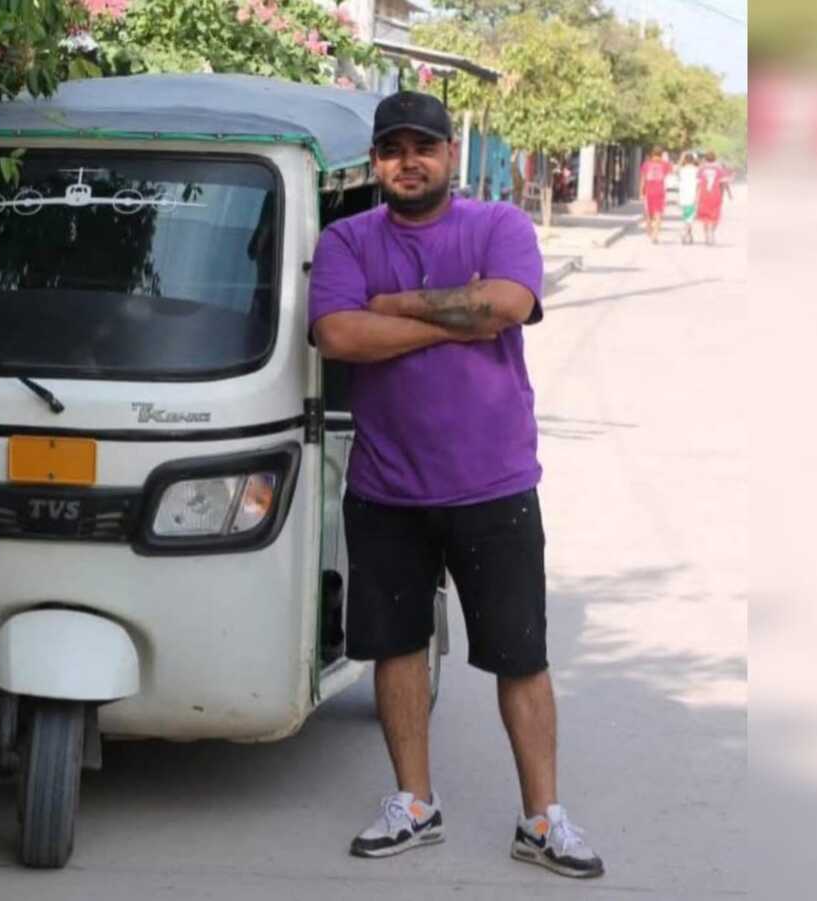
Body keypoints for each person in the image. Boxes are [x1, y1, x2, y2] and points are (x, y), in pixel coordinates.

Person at [307, 91, 605, 880]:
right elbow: (339, 333)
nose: (409, 161)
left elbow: (507, 303)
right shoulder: (344, 240)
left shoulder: (497, 226)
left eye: (424, 147)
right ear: (376, 162)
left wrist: (397, 309)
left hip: (493, 484)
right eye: (393, 149)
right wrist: (459, 316)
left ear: (448, 154)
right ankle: (414, 802)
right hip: (386, 487)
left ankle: (542, 817)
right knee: (397, 650)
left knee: (521, 655)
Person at [696, 149, 732, 244]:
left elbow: (698, 184)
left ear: (705, 159)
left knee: (705, 217)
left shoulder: (701, 169)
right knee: (715, 215)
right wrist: (729, 194)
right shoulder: (719, 169)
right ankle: (712, 231)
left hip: (704, 195)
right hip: (716, 194)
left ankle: (707, 236)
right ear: (715, 158)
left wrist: (696, 196)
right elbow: (724, 183)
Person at [639, 146, 671, 243]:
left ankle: (649, 230)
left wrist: (640, 192)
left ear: (652, 153)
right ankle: (655, 235)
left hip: (649, 192)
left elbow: (643, 180)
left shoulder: (646, 164)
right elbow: (669, 171)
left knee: (648, 214)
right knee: (658, 214)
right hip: (660, 191)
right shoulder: (665, 165)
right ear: (661, 154)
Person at [677, 152, 700, 244]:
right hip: (693, 194)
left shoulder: (681, 170)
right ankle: (685, 233)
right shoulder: (697, 170)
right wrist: (698, 196)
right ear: (693, 160)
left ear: (685, 160)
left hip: (683, 194)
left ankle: (689, 235)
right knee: (689, 216)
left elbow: (678, 167)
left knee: (687, 216)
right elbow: (699, 184)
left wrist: (682, 157)